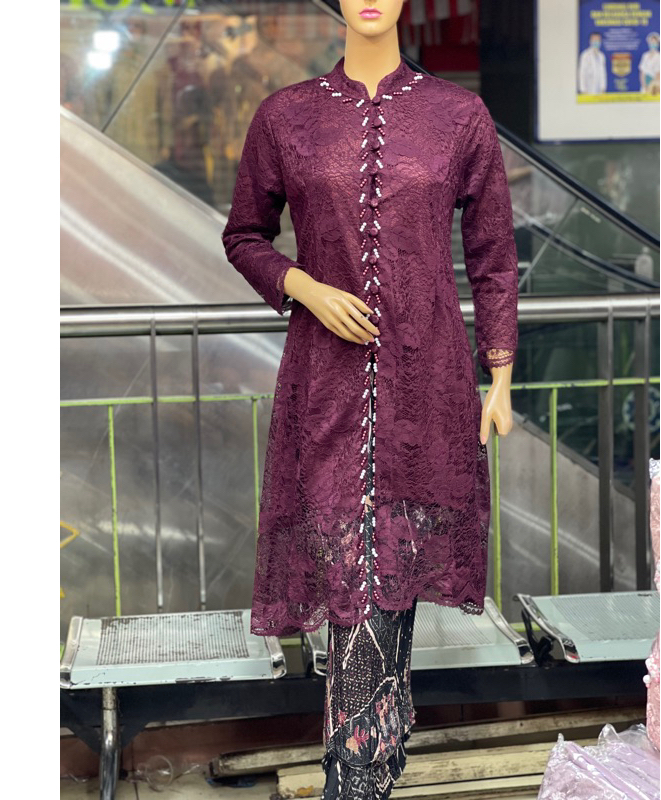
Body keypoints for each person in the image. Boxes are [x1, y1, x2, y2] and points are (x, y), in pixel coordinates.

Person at [220, 1, 519, 797]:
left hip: (429, 395)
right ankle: (361, 773)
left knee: (385, 598)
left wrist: (499, 375)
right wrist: (304, 286)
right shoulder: (286, 116)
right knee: (357, 592)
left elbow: (492, 253)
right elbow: (244, 234)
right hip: (325, 394)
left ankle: (362, 772)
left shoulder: (459, 116)